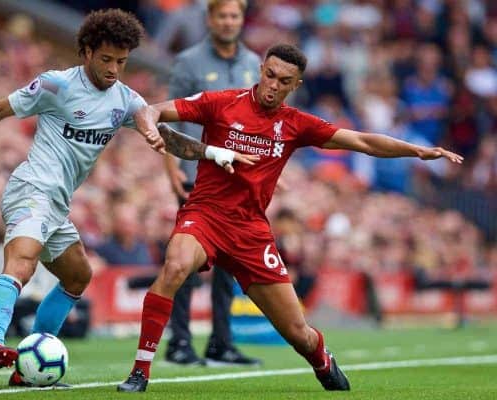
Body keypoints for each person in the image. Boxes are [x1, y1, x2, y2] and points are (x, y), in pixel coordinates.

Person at [0, 9, 256, 386]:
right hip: (31, 188)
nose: (114, 69)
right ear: (87, 52)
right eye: (107, 59)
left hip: (57, 204)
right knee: (23, 264)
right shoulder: (56, 85)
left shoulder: (125, 100)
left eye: (122, 62)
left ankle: (28, 368)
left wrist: (214, 153)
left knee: (78, 276)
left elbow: (169, 136)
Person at [117, 43, 463, 392]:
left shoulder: (295, 124)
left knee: (299, 334)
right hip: (204, 216)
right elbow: (154, 110)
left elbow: (362, 141)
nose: (273, 85)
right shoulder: (221, 102)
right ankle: (140, 372)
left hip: (251, 233)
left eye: (284, 81)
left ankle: (323, 361)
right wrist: (149, 130)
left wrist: (416, 150)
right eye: (269, 75)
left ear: (295, 86)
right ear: (261, 70)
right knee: (175, 266)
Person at [163, 0, 261, 366]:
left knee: (231, 264)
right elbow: (167, 117)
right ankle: (179, 341)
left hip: (241, 181)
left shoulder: (254, 63)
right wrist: (170, 166)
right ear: (210, 19)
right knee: (185, 261)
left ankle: (221, 341)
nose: (228, 21)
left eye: (234, 15)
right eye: (222, 15)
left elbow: (261, 124)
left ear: (242, 19)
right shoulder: (188, 61)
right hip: (198, 176)